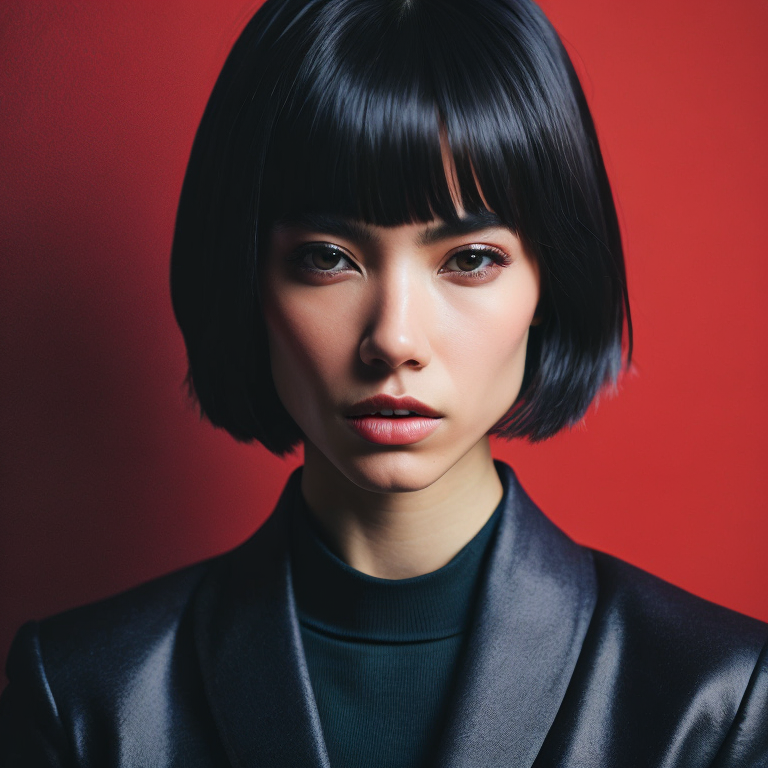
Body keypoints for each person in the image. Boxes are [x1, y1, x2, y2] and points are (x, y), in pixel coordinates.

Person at [1, 0, 766, 765]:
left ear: (549, 287)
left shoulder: (718, 703)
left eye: (469, 259)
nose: (394, 339)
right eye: (328, 257)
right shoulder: (82, 701)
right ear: (247, 280)